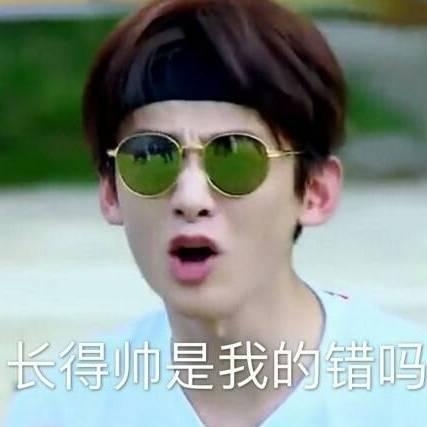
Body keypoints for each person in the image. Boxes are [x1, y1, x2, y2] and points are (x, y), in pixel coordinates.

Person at [5, 0, 426, 426]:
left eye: (235, 156)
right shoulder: (59, 408)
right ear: (112, 192)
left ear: (315, 192)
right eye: (151, 157)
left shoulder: (408, 394)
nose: (191, 198)